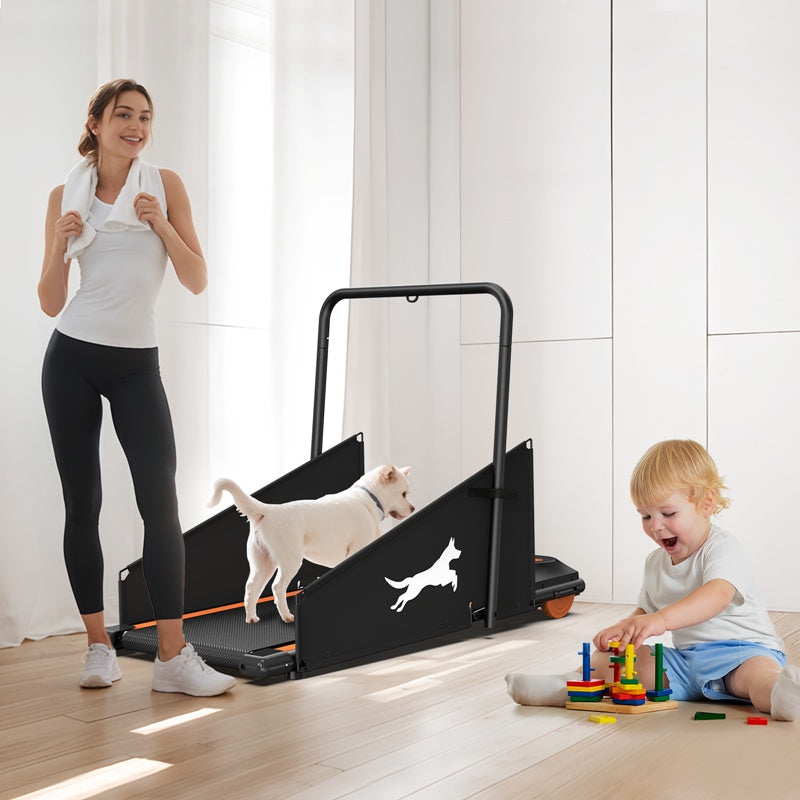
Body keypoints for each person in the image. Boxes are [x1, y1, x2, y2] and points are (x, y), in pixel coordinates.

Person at [38, 78, 235, 696]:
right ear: (95, 122)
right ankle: (99, 648)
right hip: (70, 357)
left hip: (134, 364)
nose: (136, 126)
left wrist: (161, 226)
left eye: (145, 117)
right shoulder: (63, 197)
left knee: (160, 502)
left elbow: (198, 279)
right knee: (83, 503)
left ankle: (173, 659)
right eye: (123, 115)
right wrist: (59, 248)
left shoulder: (163, 186)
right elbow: (48, 302)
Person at [505, 439, 800, 721]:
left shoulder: (722, 548)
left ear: (706, 503)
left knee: (756, 676)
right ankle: (567, 686)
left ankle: (778, 694)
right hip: (684, 664)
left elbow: (717, 595)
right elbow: (645, 611)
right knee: (612, 660)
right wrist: (623, 629)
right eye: (645, 516)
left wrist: (660, 621)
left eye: (668, 513)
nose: (656, 526)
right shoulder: (655, 562)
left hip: (742, 654)